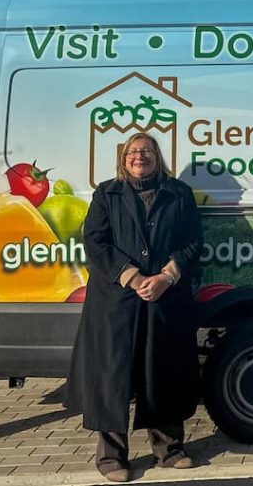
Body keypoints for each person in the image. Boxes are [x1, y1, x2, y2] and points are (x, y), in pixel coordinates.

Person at [65, 132, 203, 483]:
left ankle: (169, 450)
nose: (139, 156)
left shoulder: (179, 194)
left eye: (146, 150)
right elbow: (95, 242)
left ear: (158, 157)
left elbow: (192, 242)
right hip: (116, 300)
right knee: (113, 376)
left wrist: (166, 277)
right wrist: (131, 276)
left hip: (165, 297)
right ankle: (112, 456)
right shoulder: (106, 193)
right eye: (132, 151)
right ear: (123, 159)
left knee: (162, 371)